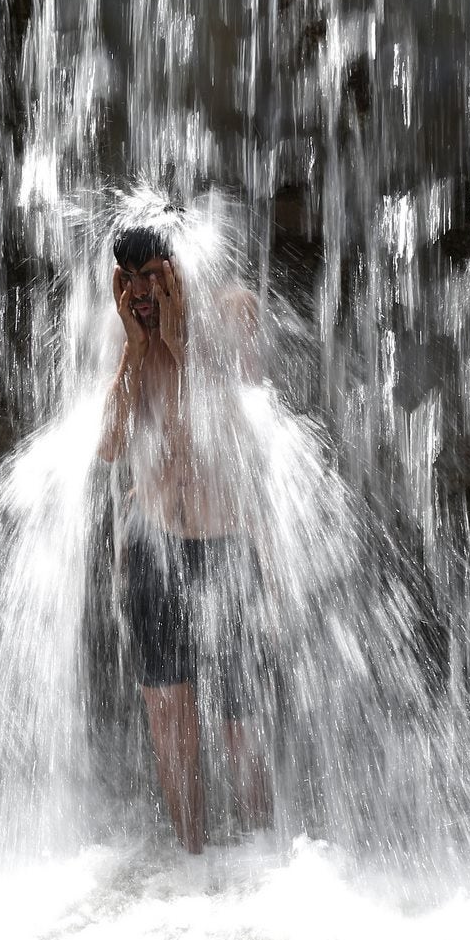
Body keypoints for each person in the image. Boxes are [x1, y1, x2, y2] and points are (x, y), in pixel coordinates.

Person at [97, 194, 273, 853]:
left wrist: (178, 342)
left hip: (225, 542)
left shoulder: (233, 313)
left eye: (154, 275)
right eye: (131, 280)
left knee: (238, 715)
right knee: (169, 711)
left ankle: (260, 853)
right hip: (152, 544)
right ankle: (194, 856)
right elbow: (110, 447)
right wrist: (136, 354)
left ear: (180, 267)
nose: (142, 292)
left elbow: (240, 431)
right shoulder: (127, 337)